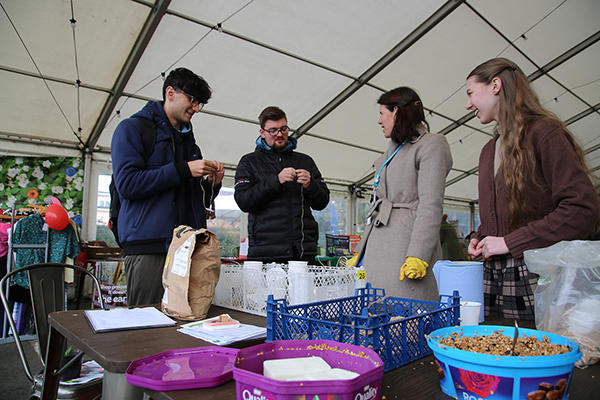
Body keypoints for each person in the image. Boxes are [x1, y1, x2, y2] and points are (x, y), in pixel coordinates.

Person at [465, 57, 599, 320]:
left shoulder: (544, 133)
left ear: (495, 85)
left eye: (470, 93)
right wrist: (479, 237)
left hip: (536, 276)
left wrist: (509, 242)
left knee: (534, 354)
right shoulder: (488, 150)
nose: (467, 104)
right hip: (492, 280)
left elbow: (581, 209)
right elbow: (502, 217)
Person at [111, 67, 224, 306]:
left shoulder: (190, 143)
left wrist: (210, 186)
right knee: (145, 330)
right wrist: (183, 169)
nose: (195, 108)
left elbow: (192, 196)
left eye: (199, 103)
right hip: (148, 249)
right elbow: (128, 184)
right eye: (192, 100)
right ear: (170, 93)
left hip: (186, 250)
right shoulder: (132, 129)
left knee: (185, 327)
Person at [355, 87, 452, 302]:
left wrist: (418, 254)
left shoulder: (431, 144)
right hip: (379, 247)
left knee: (405, 314)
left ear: (397, 112)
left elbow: (431, 204)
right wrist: (361, 251)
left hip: (406, 246)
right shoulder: (391, 152)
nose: (379, 121)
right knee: (375, 310)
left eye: (382, 113)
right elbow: (378, 205)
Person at [234, 106, 330, 263]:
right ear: (262, 132)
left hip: (303, 253)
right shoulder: (249, 162)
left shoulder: (305, 161)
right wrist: (275, 180)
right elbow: (244, 201)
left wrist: (310, 185)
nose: (279, 134)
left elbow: (322, 202)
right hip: (265, 254)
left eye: (283, 129)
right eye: (273, 130)